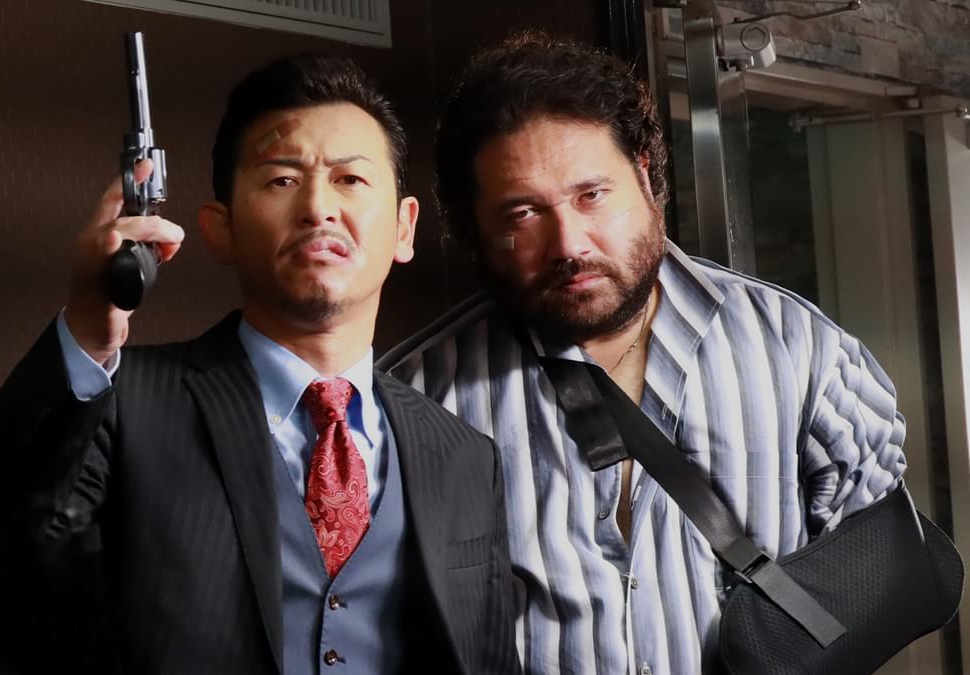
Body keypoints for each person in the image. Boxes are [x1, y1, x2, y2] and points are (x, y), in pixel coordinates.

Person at [0, 54, 520, 675]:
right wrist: (85, 333)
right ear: (221, 229)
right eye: (282, 180)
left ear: (404, 229)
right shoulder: (124, 405)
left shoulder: (463, 455)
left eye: (350, 179)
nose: (318, 207)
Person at [382, 31, 907, 674]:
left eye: (592, 195)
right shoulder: (416, 397)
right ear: (473, 230)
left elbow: (875, 585)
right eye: (522, 214)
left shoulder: (799, 347)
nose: (569, 243)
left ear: (645, 174)